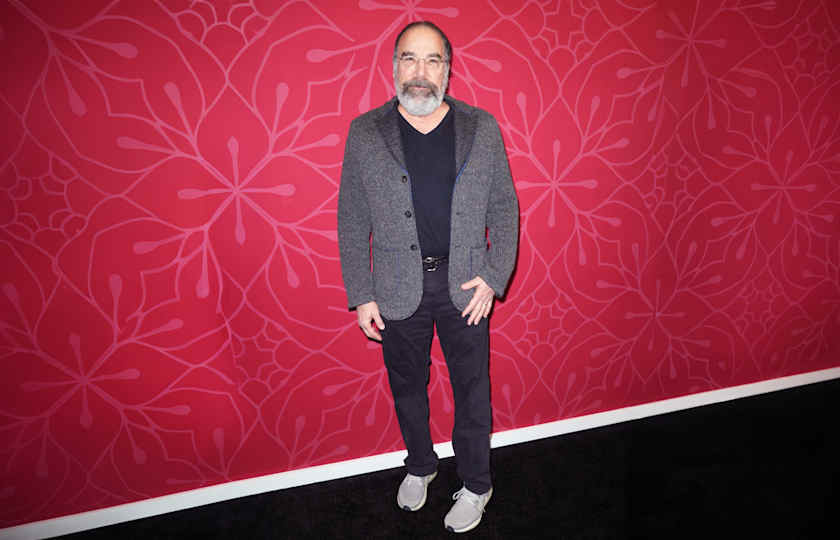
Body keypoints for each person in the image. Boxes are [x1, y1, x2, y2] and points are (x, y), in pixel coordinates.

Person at [337, 20, 518, 533]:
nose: (420, 71)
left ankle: (477, 484)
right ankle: (420, 464)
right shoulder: (365, 132)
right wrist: (362, 293)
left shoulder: (481, 127)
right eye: (410, 58)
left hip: (466, 285)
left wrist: (493, 276)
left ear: (447, 70)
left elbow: (505, 208)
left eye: (432, 60)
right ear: (394, 66)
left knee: (472, 388)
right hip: (395, 286)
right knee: (407, 386)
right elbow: (352, 217)